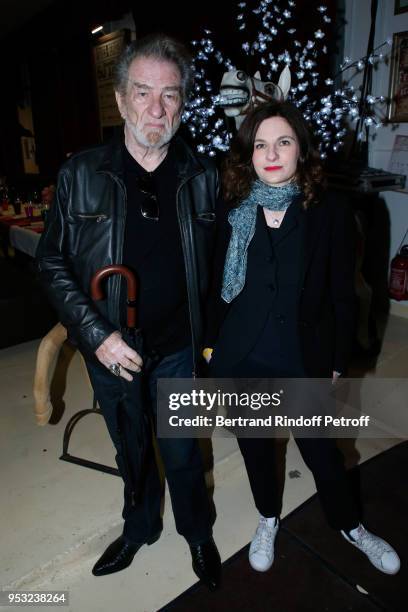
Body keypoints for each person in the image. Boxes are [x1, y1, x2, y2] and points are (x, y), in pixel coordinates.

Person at [37, 33, 221, 590]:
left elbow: (224, 269)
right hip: (112, 347)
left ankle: (197, 532)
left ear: (183, 105)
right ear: (119, 101)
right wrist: (95, 335)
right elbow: (51, 263)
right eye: (143, 93)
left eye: (170, 95)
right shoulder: (80, 175)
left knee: (184, 451)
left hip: (181, 346)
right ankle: (139, 529)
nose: (156, 109)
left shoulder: (204, 177)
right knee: (132, 449)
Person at [204, 100, 400, 576]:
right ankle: (268, 516)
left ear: (301, 150)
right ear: (248, 154)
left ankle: (351, 525)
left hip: (301, 355)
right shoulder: (232, 206)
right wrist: (210, 348)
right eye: (261, 144)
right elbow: (215, 284)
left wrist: (336, 361)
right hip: (244, 356)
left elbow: (341, 294)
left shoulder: (329, 211)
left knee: (321, 452)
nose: (272, 154)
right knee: (256, 448)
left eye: (283, 142)